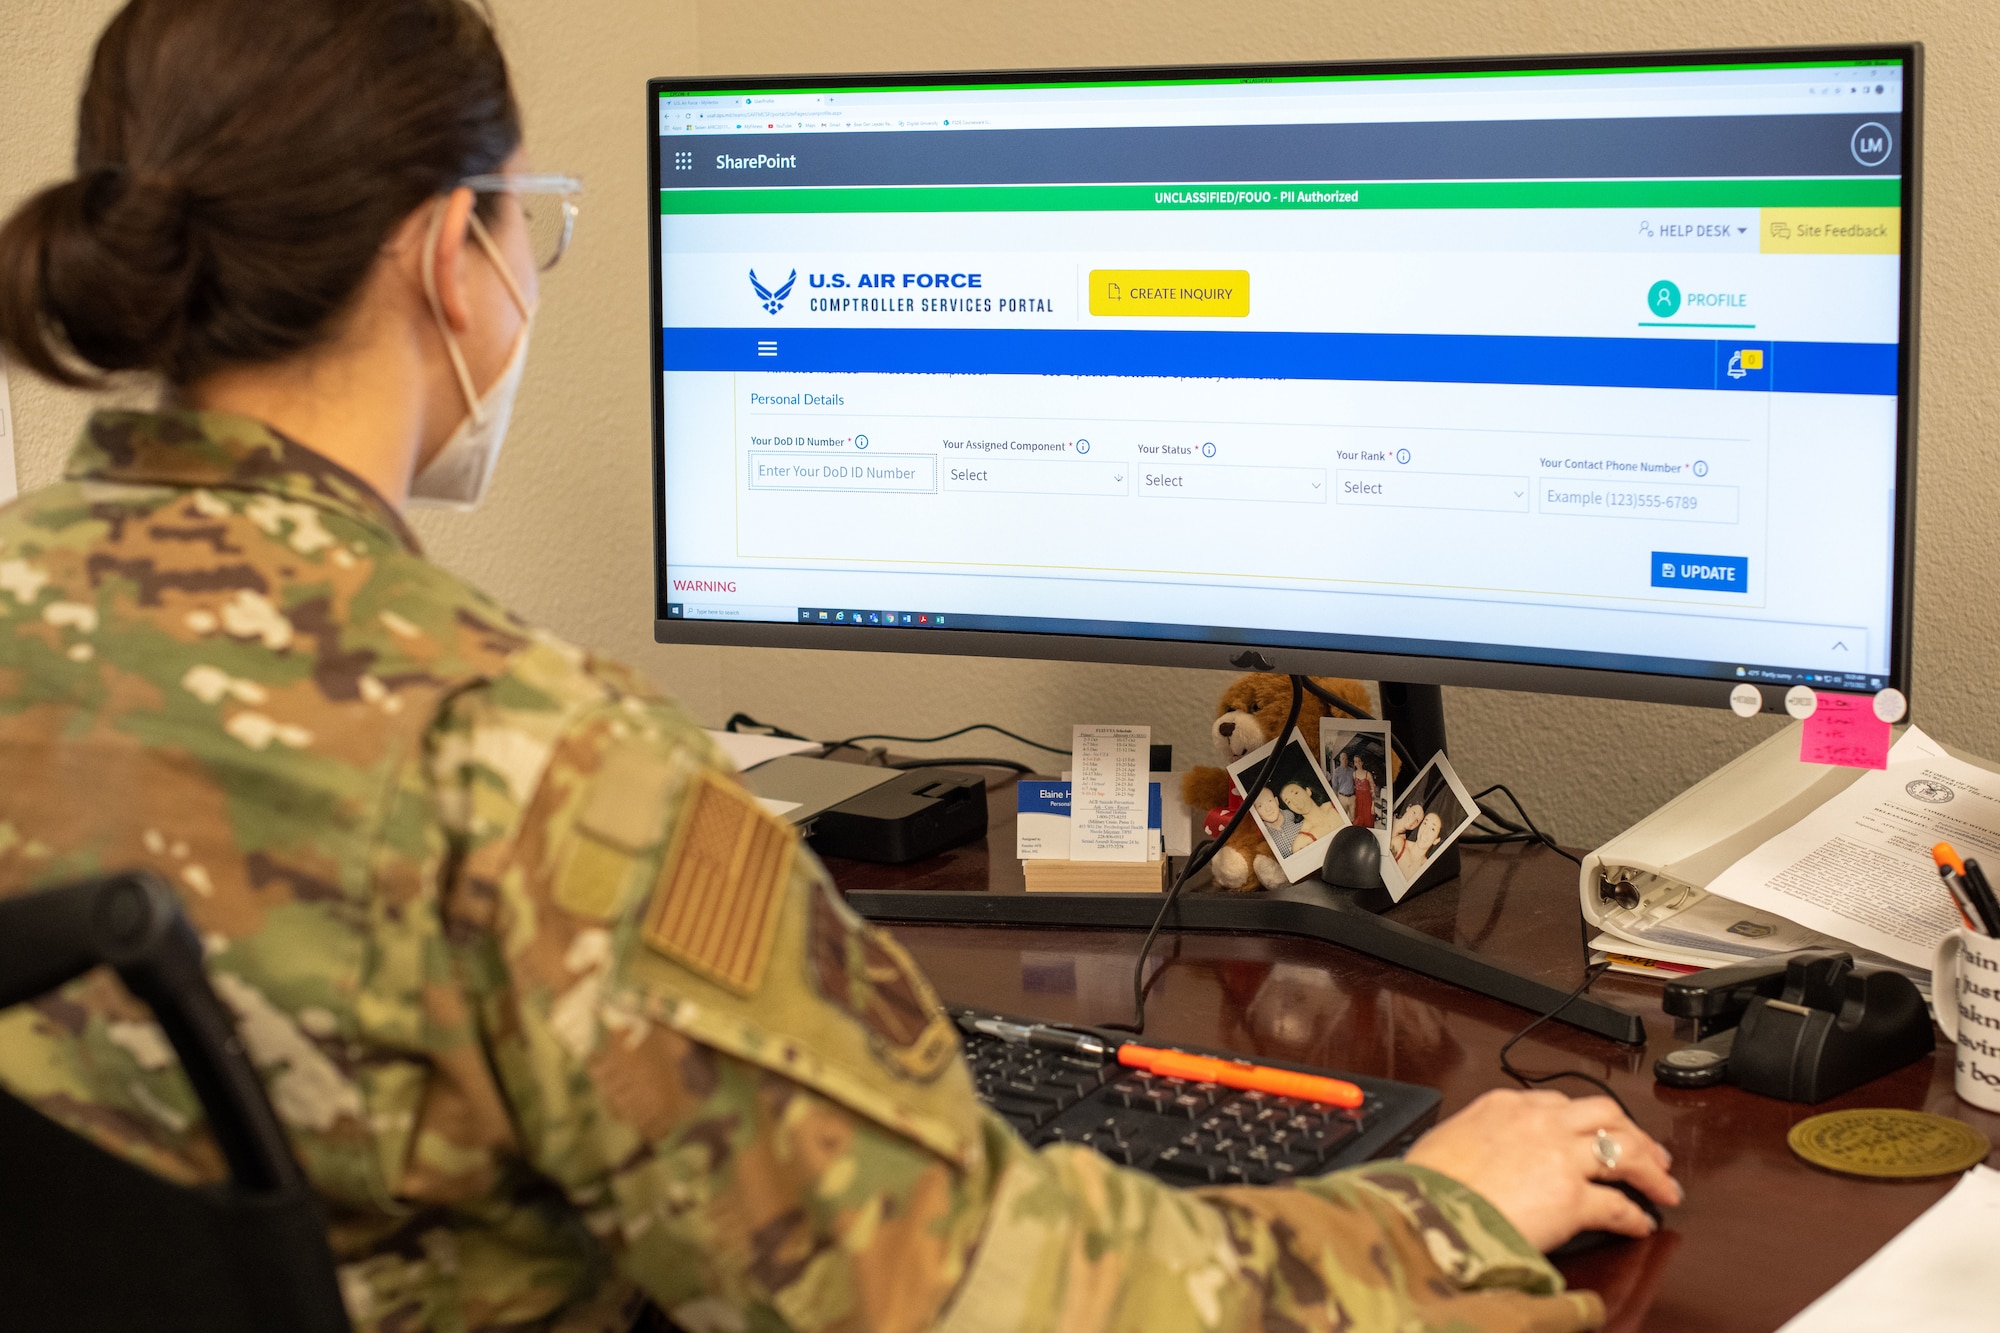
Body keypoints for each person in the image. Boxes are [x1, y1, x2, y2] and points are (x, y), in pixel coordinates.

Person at [0, 3, 1679, 1330]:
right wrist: (1442, 1211)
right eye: (530, 228)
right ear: (456, 258)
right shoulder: (525, 765)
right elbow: (966, 1296)